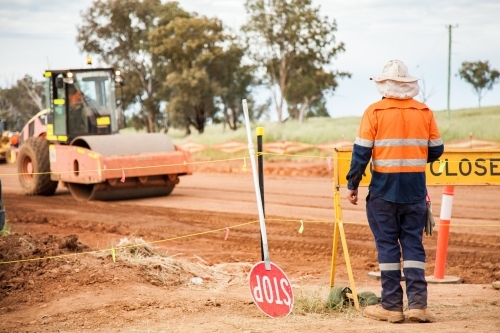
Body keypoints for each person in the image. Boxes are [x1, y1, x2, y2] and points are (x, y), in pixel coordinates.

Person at [346, 60, 444, 323]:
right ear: (408, 85)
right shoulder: (424, 111)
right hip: (415, 191)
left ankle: (391, 307)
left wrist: (353, 184)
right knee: (413, 245)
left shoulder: (374, 112)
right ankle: (418, 307)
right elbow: (436, 150)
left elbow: (361, 153)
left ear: (384, 84)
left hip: (383, 192)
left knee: (388, 247)